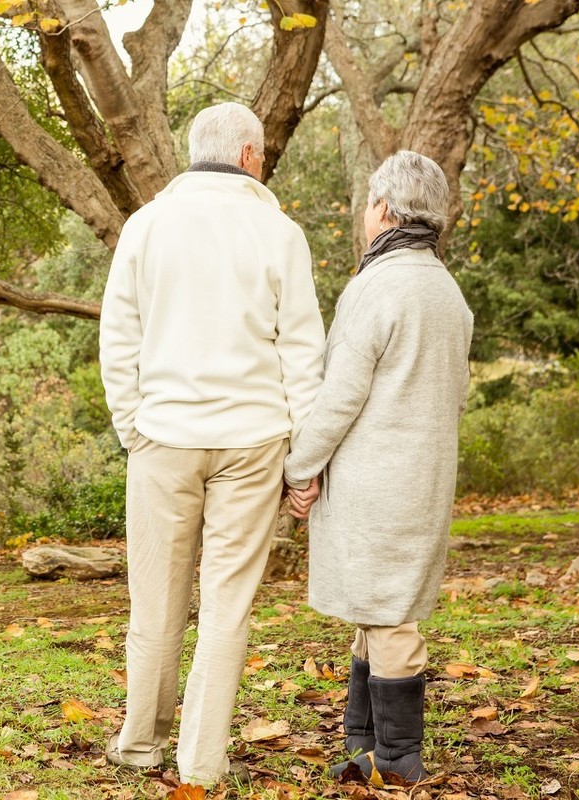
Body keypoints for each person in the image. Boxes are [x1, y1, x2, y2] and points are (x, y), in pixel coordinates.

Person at [99, 102, 326, 786]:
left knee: (156, 601)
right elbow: (303, 354)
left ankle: (141, 745)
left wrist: (133, 427)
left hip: (164, 436)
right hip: (254, 439)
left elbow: (119, 340)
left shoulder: (146, 227)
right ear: (250, 155)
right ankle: (200, 760)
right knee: (226, 605)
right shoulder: (279, 233)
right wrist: (303, 464)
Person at [284, 150, 474, 783]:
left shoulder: (376, 285)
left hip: (377, 481)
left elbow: (341, 395)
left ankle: (397, 761)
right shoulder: (448, 292)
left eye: (367, 203)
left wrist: (300, 467)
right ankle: (362, 747)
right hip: (425, 476)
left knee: (389, 618)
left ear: (386, 211)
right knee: (380, 610)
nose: (364, 214)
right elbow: (458, 391)